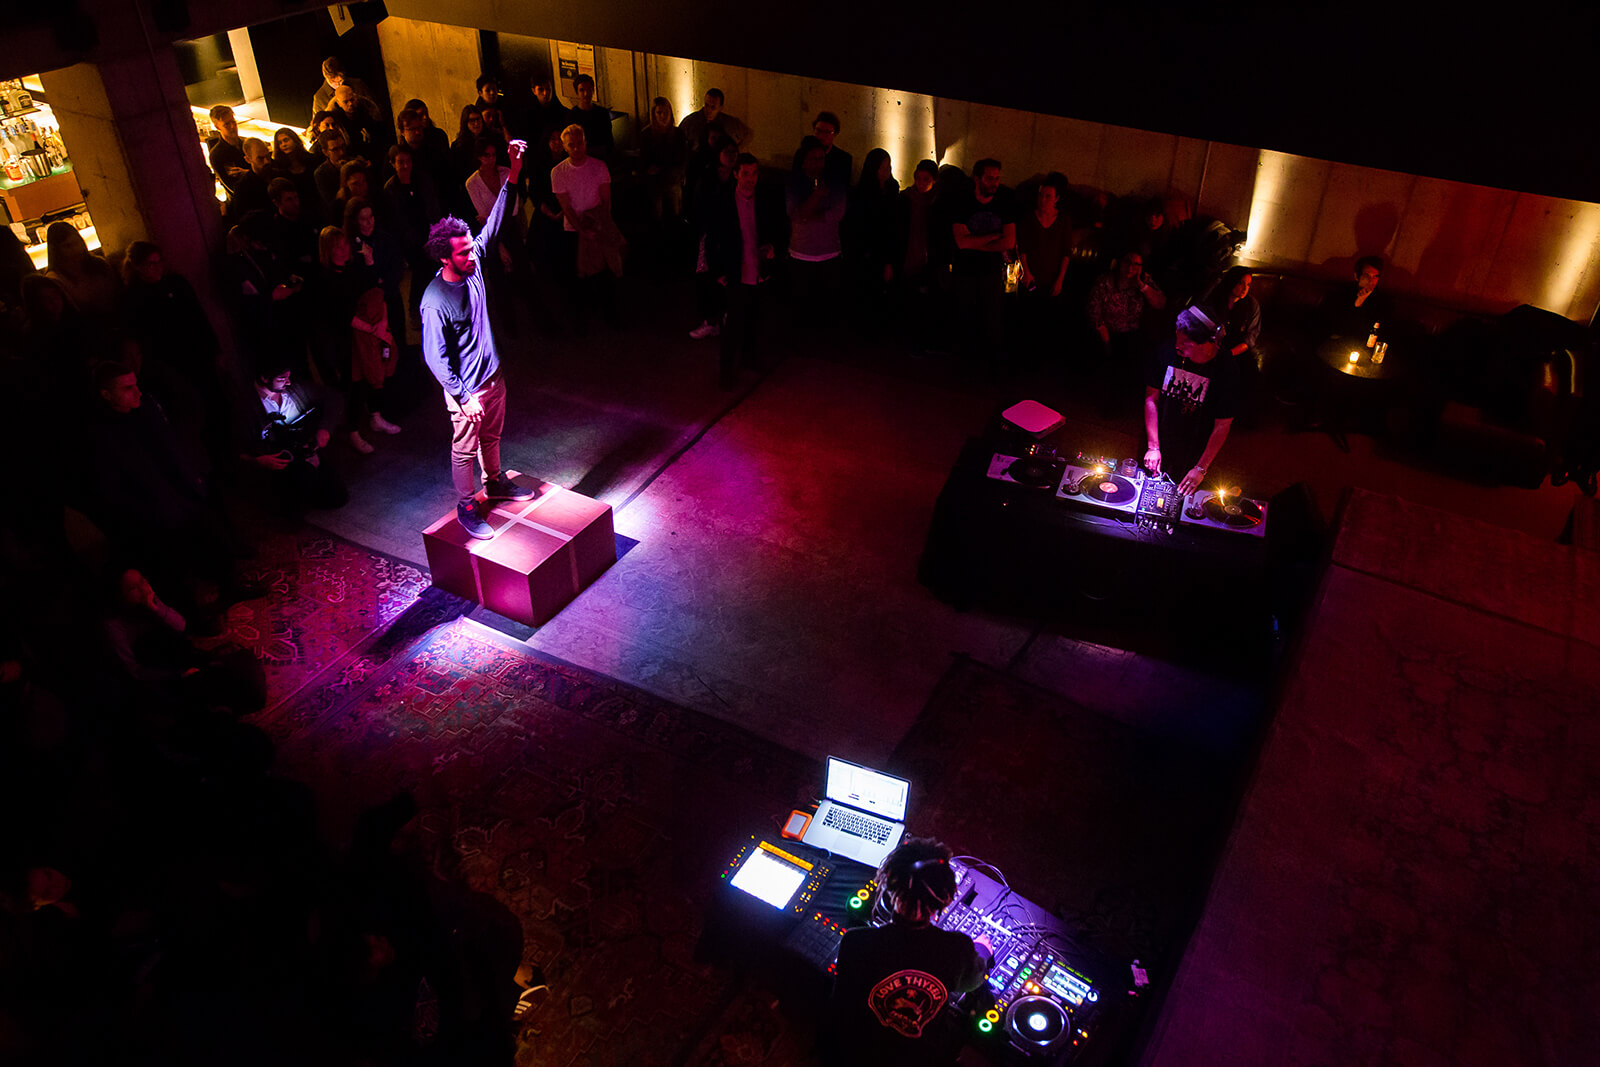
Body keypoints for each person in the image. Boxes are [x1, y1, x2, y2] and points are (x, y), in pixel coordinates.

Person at [420, 138, 535, 540]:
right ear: (444, 257)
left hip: (492, 375)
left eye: (472, 249)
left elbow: (497, 219)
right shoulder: (436, 300)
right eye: (464, 254)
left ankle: (495, 481)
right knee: (464, 448)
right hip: (466, 389)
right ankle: (467, 504)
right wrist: (462, 395)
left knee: (492, 436)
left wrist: (514, 171)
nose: (473, 256)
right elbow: (434, 357)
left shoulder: (475, 262)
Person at [827, 838, 992, 1067]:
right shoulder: (958, 949)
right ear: (944, 899)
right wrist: (982, 949)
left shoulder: (855, 942)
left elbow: (841, 1006)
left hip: (857, 1053)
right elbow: (972, 982)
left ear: (888, 887)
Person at [1143, 306, 1238, 495]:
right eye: (1177, 338)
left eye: (1186, 343)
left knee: (1184, 495)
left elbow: (1223, 424)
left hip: (1194, 448)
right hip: (1159, 438)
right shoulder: (1166, 350)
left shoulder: (1227, 369)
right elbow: (1151, 398)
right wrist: (1153, 446)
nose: (1177, 345)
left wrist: (1201, 468)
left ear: (1206, 343)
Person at [708, 153, 780, 388]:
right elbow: (712, 239)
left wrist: (771, 248)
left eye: (754, 173)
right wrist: (718, 272)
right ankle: (727, 372)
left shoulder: (764, 200)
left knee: (754, 318)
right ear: (736, 174)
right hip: (736, 271)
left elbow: (774, 229)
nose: (751, 179)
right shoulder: (723, 202)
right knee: (734, 323)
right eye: (746, 173)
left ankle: (749, 359)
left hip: (758, 269)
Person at [244, 362, 348, 513]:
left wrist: (325, 428)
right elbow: (236, 449)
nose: (288, 382)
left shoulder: (295, 389)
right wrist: (258, 460)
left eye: (288, 377)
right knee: (294, 506)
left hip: (305, 451)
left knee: (339, 496)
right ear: (265, 378)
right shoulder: (247, 406)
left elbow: (334, 398)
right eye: (282, 378)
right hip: (280, 463)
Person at [551, 124, 622, 328]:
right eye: (571, 145)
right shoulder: (558, 172)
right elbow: (566, 207)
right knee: (577, 274)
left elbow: (606, 200)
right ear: (565, 147)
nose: (576, 149)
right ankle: (580, 316)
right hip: (573, 229)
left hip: (597, 224)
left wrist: (598, 225)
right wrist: (582, 230)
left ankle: (609, 314)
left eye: (579, 143)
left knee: (603, 272)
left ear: (585, 143)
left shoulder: (599, 167)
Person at [950, 158, 1016, 365]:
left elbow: (1009, 241)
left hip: (991, 272)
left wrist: (975, 242)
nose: (994, 183)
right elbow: (961, 242)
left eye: (997, 178)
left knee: (992, 318)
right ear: (977, 178)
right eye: (989, 178)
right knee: (965, 315)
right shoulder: (962, 202)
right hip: (965, 271)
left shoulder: (1005, 202)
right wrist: (993, 237)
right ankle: (964, 361)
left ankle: (990, 364)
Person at [786, 136, 848, 321]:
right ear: (804, 161)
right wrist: (816, 197)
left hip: (829, 253)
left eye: (821, 159)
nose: (818, 163)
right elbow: (795, 215)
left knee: (827, 310)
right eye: (813, 159)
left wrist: (808, 216)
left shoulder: (835, 183)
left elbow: (837, 214)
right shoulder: (795, 183)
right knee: (801, 309)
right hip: (801, 253)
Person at [639, 97, 687, 225]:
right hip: (655, 183)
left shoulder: (679, 134)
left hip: (673, 180)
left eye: (666, 112)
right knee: (657, 216)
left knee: (675, 215)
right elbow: (644, 162)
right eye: (659, 113)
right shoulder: (646, 135)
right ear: (653, 114)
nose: (663, 116)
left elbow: (682, 158)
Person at [1321, 255, 1390, 340]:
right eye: (1367, 275)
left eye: (1375, 276)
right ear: (1356, 276)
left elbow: (1372, 331)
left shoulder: (1382, 301)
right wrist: (1358, 304)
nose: (1371, 281)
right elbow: (1337, 328)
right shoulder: (1340, 294)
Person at [679, 88, 751, 164]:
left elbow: (748, 134)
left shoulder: (729, 123)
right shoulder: (690, 122)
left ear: (720, 108)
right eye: (707, 105)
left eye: (713, 107)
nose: (709, 110)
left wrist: (736, 151)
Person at [269, 127, 324, 227]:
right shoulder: (279, 169)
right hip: (296, 212)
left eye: (286, 140)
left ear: (294, 139)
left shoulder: (311, 160)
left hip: (317, 206)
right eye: (280, 143)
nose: (284, 144)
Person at [207, 105, 251, 208]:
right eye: (227, 124)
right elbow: (233, 188)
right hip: (243, 205)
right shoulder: (217, 155)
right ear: (217, 127)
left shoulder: (246, 144)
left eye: (233, 122)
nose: (232, 127)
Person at [311, 56, 378, 123]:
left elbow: (375, 109)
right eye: (333, 81)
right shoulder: (319, 97)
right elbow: (317, 124)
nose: (338, 84)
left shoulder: (357, 84)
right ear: (325, 76)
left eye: (340, 80)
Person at [567, 74, 613, 160]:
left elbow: (609, 142)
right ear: (576, 92)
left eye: (589, 89)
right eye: (582, 90)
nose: (586, 94)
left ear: (593, 91)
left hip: (601, 159)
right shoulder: (572, 116)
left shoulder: (602, 113)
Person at [809, 111, 852, 190]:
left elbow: (841, 190)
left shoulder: (843, 160)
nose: (821, 136)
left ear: (835, 134)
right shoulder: (802, 154)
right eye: (818, 130)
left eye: (827, 132)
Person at [451, 104, 487, 181]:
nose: (476, 124)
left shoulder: (492, 139)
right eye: (472, 121)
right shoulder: (458, 146)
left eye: (478, 119)